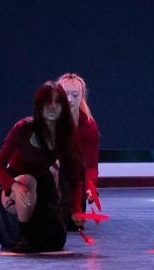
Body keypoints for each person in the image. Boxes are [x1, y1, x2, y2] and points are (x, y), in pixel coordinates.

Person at [0, 81, 81, 253]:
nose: (52, 106)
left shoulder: (65, 134)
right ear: (39, 105)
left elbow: (74, 177)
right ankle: (24, 236)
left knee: (56, 239)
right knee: (28, 181)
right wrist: (13, 186)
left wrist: (77, 209)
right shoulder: (23, 128)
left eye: (57, 101)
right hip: (14, 184)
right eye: (47, 101)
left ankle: (36, 229)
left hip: (43, 186)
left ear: (63, 107)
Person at [56, 72, 100, 230]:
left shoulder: (89, 127)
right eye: (65, 94)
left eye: (75, 95)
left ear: (82, 97)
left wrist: (90, 186)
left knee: (72, 224)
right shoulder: (50, 120)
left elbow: (91, 165)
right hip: (52, 173)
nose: (69, 99)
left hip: (76, 177)